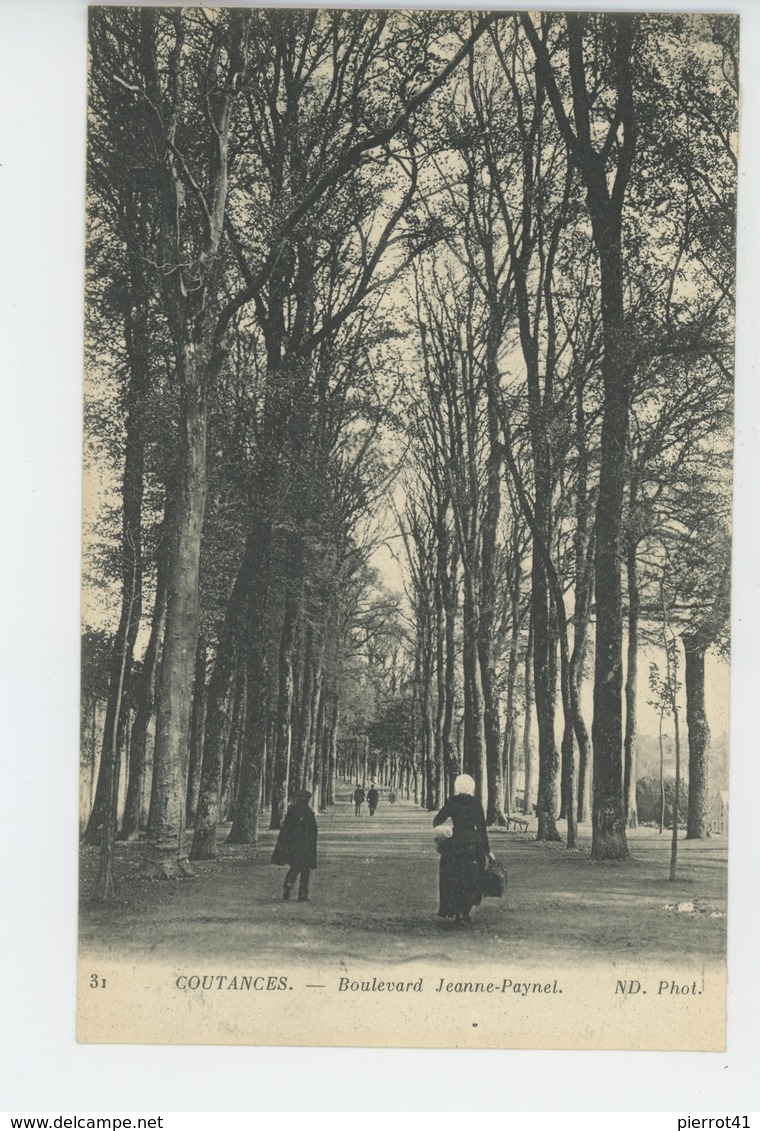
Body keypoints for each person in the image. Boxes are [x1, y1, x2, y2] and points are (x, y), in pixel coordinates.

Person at [432, 773, 492, 924]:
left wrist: (447, 832)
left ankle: (455, 909)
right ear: (472, 786)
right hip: (474, 842)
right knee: (473, 878)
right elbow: (482, 829)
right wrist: (488, 850)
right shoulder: (476, 803)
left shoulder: (452, 802)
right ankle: (466, 910)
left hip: (455, 843)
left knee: (451, 877)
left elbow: (437, 821)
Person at [271, 789, 318, 902]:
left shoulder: (292, 811)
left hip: (294, 845)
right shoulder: (308, 812)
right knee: (305, 870)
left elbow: (285, 830)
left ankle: (288, 883)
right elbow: (313, 831)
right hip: (306, 846)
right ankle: (302, 895)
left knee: (296, 867)